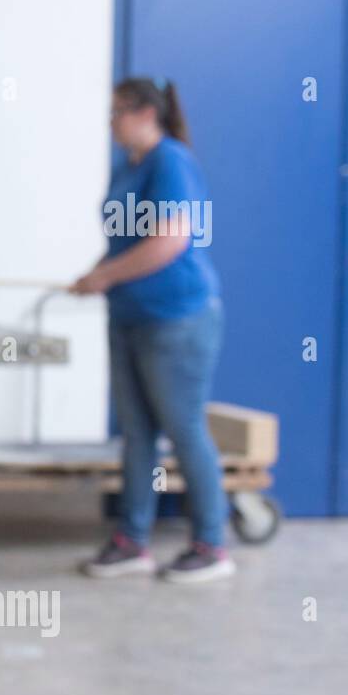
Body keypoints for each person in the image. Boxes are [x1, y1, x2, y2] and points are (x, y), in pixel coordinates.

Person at [72, 77, 231, 583]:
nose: (111, 123)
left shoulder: (171, 162)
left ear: (143, 112)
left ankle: (210, 545)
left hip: (176, 319)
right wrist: (96, 274)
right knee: (137, 434)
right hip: (129, 316)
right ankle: (131, 540)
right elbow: (125, 244)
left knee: (184, 430)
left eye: (116, 112)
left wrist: (106, 276)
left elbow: (169, 241)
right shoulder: (129, 167)